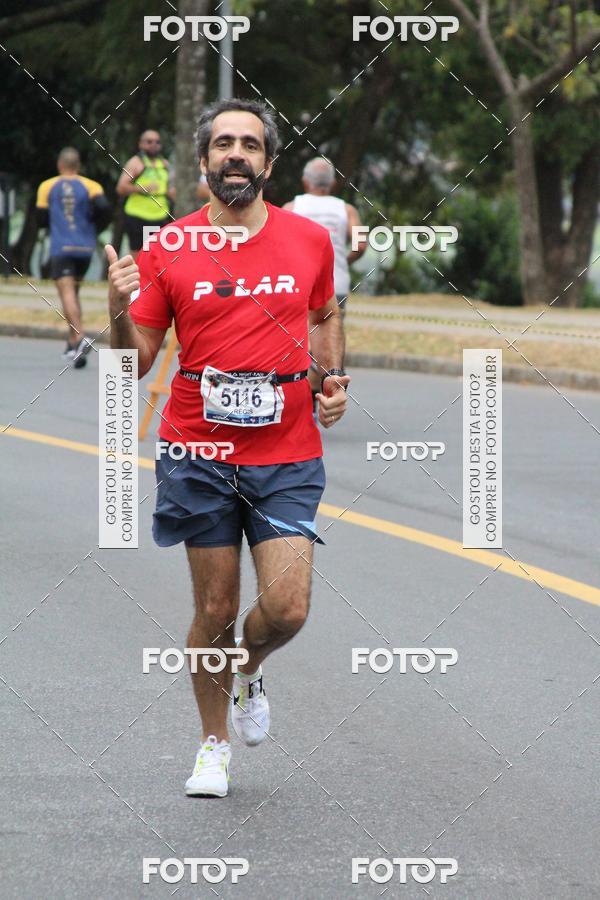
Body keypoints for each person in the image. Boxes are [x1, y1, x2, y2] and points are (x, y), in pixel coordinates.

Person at [105, 98, 349, 799]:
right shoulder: (168, 247)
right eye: (223, 144)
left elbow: (325, 312)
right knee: (214, 609)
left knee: (289, 608)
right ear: (205, 161)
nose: (235, 153)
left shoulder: (307, 241)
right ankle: (213, 744)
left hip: (287, 449)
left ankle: (249, 670)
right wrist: (119, 305)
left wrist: (330, 383)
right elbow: (138, 362)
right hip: (197, 449)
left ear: (269, 162)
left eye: (249, 143)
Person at [284, 158, 367, 407]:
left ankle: (301, 398)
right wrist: (344, 260)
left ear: (304, 181)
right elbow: (361, 242)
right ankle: (321, 394)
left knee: (299, 341)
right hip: (336, 283)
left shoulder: (291, 207)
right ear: (332, 183)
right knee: (328, 337)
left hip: (298, 284)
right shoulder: (347, 210)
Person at [36, 147, 110, 368]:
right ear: (78, 166)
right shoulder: (91, 186)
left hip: (62, 247)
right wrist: (92, 228)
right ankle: (72, 344)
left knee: (67, 293)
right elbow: (104, 209)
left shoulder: (47, 186)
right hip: (85, 249)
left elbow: (40, 218)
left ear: (60, 165)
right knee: (74, 294)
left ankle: (79, 337)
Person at [117, 130, 173, 260]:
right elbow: (121, 187)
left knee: (160, 253)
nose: (154, 145)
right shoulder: (136, 163)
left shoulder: (164, 165)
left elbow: (170, 188)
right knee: (138, 253)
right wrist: (141, 189)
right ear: (141, 144)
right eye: (149, 142)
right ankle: (137, 279)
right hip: (137, 214)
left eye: (157, 142)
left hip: (160, 214)